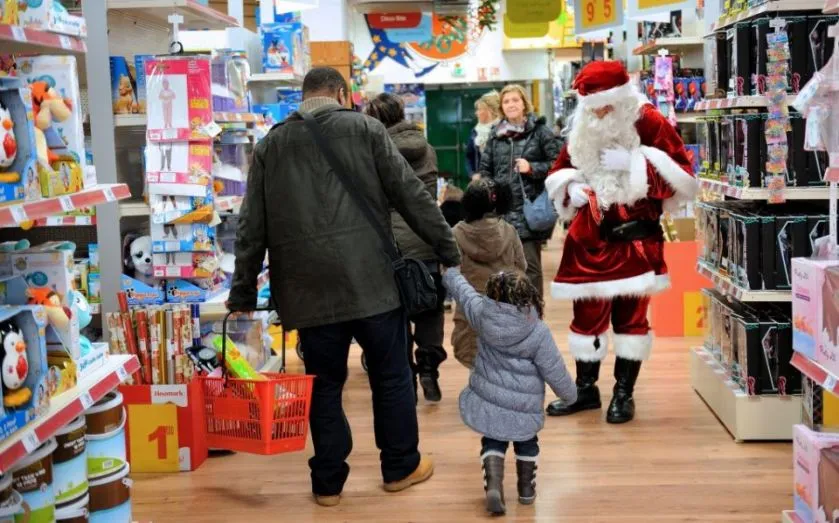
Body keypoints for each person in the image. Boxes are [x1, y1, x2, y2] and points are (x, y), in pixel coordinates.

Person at [228, 67, 461, 506]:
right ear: (343, 93)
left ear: (303, 97)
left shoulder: (270, 146)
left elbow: (250, 229)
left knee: (324, 384)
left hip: (306, 291)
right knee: (392, 376)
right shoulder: (367, 129)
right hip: (372, 280)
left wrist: (242, 292)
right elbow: (413, 196)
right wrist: (447, 249)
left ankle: (328, 483)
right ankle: (399, 468)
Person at [543, 60, 696, 424]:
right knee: (587, 317)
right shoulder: (582, 126)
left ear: (621, 96)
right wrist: (572, 187)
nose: (599, 112)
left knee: (631, 319)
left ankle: (623, 395)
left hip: (635, 241)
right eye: (592, 106)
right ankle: (585, 391)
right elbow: (559, 169)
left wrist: (635, 163)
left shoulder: (649, 120)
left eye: (605, 104)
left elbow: (682, 179)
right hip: (589, 239)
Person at [443, 267, 577, 515]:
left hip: (489, 399)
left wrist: (450, 273)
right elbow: (554, 369)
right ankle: (526, 489)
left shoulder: (483, 314)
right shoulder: (537, 331)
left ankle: (494, 483)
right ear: (529, 296)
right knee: (527, 443)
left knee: (493, 439)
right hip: (524, 407)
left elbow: (464, 293)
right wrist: (570, 395)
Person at [364, 92, 448, 403]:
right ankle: (429, 368)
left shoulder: (374, 150)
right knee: (429, 307)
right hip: (425, 236)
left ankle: (407, 378)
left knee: (395, 314)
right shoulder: (426, 147)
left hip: (391, 244)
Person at [477, 84, 560, 297]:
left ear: (524, 103)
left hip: (529, 213)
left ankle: (533, 316)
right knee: (502, 271)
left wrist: (532, 168)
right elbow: (485, 170)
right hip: (501, 213)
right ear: (502, 107)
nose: (511, 104)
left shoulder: (540, 133)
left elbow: (558, 164)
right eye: (506, 101)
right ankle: (509, 317)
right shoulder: (496, 136)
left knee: (530, 268)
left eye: (515, 100)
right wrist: (489, 192)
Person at [451, 179, 526, 368]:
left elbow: (451, 270)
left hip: (471, 308)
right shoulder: (509, 231)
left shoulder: (456, 233)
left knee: (473, 357)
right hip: (503, 305)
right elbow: (521, 266)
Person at [466, 91, 501, 176]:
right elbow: (469, 156)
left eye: (479, 109)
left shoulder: (502, 130)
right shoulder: (475, 131)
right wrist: (472, 174)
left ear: (489, 111)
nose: (476, 113)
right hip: (480, 181)